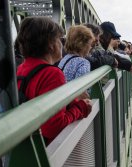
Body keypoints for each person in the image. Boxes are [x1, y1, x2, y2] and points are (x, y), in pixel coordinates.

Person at [15, 17, 92, 145]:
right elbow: (53, 127)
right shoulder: (52, 74)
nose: (61, 44)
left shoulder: (21, 69)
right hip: (45, 154)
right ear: (51, 46)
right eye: (59, 40)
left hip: (23, 148)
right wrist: (81, 107)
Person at [58, 25, 94, 99]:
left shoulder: (65, 58)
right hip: (73, 103)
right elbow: (82, 90)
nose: (90, 48)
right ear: (82, 44)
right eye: (90, 44)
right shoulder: (83, 63)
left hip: (62, 98)